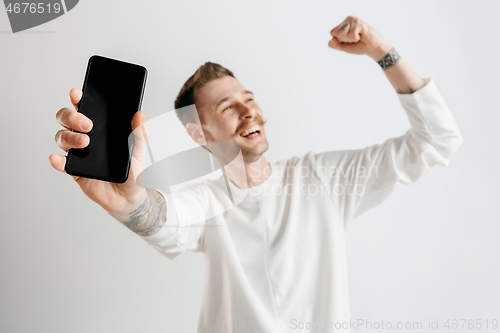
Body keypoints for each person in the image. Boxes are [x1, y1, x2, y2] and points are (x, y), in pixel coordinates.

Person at [49, 16, 463, 333]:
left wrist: (380, 49)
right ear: (199, 134)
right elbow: (167, 219)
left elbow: (437, 139)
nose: (249, 111)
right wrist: (130, 203)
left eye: (249, 99)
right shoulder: (207, 199)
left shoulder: (322, 179)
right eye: (227, 107)